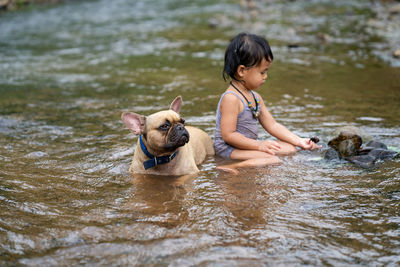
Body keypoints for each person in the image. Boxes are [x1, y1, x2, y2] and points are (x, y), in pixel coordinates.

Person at [214, 32, 321, 174]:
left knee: (291, 148)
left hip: (246, 146)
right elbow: (229, 135)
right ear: (242, 71)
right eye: (262, 72)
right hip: (230, 150)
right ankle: (231, 167)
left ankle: (253, 159)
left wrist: (298, 140)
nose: (266, 77)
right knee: (273, 159)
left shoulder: (255, 97)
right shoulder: (231, 98)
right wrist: (259, 145)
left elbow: (272, 125)